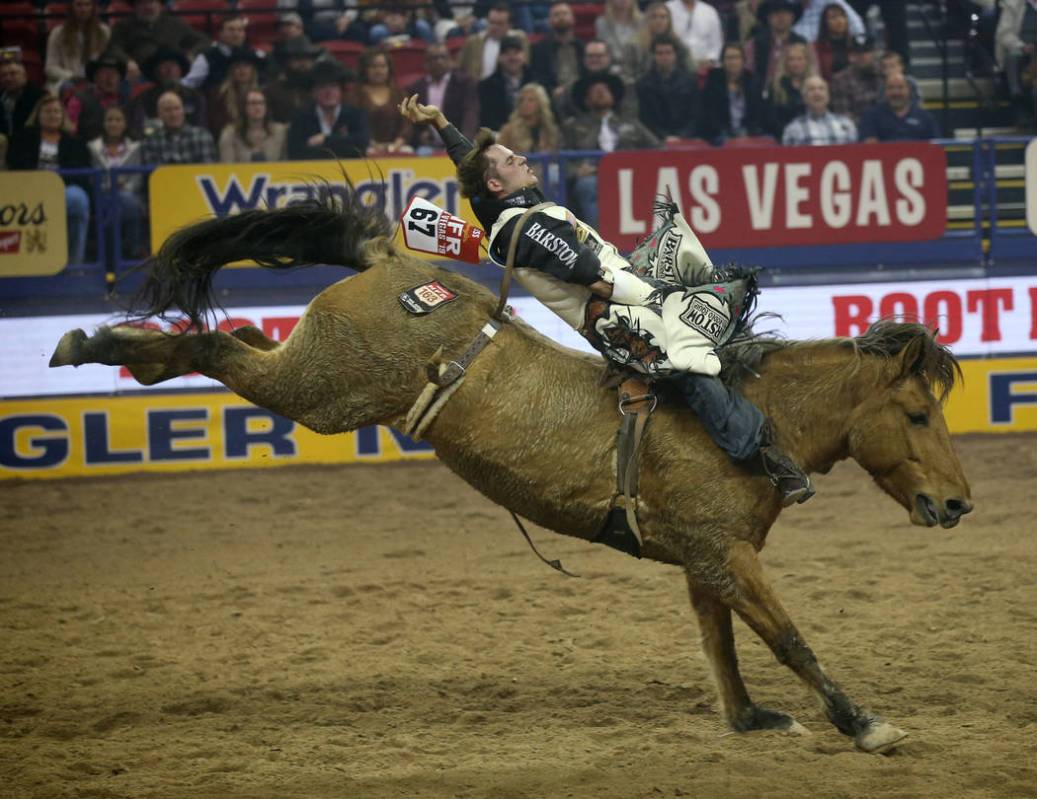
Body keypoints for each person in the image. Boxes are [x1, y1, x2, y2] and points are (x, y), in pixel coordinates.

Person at [397, 93, 814, 505]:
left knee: (688, 257)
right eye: (511, 161)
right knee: (687, 360)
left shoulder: (504, 207)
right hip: (618, 317)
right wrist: (660, 298)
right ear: (496, 183)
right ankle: (764, 459)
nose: (522, 159)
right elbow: (594, 279)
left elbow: (475, 165)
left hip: (626, 289)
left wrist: (440, 123)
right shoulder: (525, 228)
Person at [563, 72, 659, 229]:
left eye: (605, 90)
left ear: (613, 97)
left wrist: (642, 167)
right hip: (594, 177)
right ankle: (601, 239)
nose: (601, 93)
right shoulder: (574, 126)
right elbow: (561, 158)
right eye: (595, 91)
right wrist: (576, 171)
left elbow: (658, 149)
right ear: (587, 100)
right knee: (586, 186)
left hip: (630, 174)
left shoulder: (631, 124)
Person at [7, 94, 92, 265]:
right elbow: (15, 165)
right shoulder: (23, 138)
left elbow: (82, 174)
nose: (52, 115)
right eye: (47, 111)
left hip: (63, 190)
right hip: (28, 190)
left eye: (56, 112)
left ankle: (75, 266)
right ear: (38, 115)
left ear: (63, 116)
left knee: (77, 199)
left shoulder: (75, 142)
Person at [87, 104, 146, 258]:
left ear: (125, 123)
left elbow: (138, 178)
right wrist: (111, 186)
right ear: (103, 123)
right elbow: (93, 179)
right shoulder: (92, 147)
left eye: (118, 120)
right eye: (110, 120)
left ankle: (108, 255)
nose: (114, 123)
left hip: (131, 195)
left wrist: (124, 187)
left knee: (126, 201)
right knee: (120, 204)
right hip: (103, 197)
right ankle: (134, 252)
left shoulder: (136, 147)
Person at [286, 59, 369, 160]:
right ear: (313, 91)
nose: (328, 92)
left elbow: (362, 145)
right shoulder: (301, 117)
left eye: (333, 86)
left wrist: (325, 140)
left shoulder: (355, 115)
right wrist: (342, 144)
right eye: (322, 87)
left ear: (341, 91)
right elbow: (295, 151)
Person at [108, 0, 209, 82]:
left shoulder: (175, 24)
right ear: (135, 6)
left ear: (160, 5)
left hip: (173, 75)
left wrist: (191, 54)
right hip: (140, 74)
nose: (147, 7)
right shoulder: (124, 26)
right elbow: (113, 47)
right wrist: (127, 61)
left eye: (152, 2)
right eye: (142, 3)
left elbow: (203, 40)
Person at [406, 43, 479, 150]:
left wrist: (465, 141)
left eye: (443, 57)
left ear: (450, 60)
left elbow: (470, 113)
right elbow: (411, 119)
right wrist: (419, 136)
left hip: (458, 143)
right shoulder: (416, 88)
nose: (439, 61)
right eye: (434, 58)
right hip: (427, 147)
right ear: (426, 63)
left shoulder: (464, 83)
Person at [129, 47, 207, 138]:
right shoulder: (145, 98)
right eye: (164, 66)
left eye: (173, 65)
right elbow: (138, 128)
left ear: (180, 69)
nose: (169, 71)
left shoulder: (195, 97)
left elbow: (201, 127)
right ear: (156, 71)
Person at [636, 33, 701, 142]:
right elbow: (645, 119)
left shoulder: (690, 81)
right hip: (654, 140)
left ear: (675, 54)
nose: (664, 57)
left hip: (687, 138)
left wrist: (682, 136)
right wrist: (664, 137)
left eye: (668, 53)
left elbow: (696, 115)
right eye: (660, 53)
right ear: (653, 56)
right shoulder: (644, 84)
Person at [699, 41, 766, 143]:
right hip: (720, 134)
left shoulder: (752, 82)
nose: (733, 62)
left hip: (747, 133)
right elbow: (709, 115)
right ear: (723, 61)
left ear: (743, 60)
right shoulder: (713, 82)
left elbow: (757, 114)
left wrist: (748, 132)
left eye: (736, 57)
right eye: (729, 58)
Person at [182, 14, 268, 93]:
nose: (236, 34)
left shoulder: (254, 56)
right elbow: (188, 84)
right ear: (220, 33)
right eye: (231, 30)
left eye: (240, 30)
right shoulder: (206, 58)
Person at [497, 82, 560, 185]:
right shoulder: (508, 130)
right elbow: (500, 160)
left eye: (531, 100)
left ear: (540, 103)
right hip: (517, 176)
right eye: (522, 100)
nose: (525, 103)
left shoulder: (549, 129)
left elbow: (556, 157)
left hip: (545, 174)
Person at [44, 0, 111, 95]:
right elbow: (50, 68)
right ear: (71, 7)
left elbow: (108, 61)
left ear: (93, 7)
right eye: (79, 5)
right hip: (68, 81)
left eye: (87, 5)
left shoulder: (104, 32)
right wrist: (71, 76)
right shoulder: (58, 33)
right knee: (71, 89)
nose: (83, 9)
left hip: (95, 80)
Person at [355, 48, 413, 155]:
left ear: (389, 69)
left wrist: (396, 145)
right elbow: (354, 126)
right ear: (365, 69)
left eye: (382, 66)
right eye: (373, 66)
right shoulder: (355, 95)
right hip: (365, 149)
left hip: (397, 147)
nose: (378, 71)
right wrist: (372, 145)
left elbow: (406, 125)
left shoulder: (400, 94)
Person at [66, 50, 131, 142]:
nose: (110, 78)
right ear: (95, 77)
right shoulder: (79, 100)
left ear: (120, 78)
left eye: (114, 73)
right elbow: (70, 132)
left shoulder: (128, 100)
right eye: (104, 73)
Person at [858, 71, 941, 141]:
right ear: (885, 91)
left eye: (900, 87)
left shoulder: (925, 117)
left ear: (909, 90)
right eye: (891, 88)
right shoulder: (871, 116)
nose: (895, 92)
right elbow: (868, 146)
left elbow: (935, 146)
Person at [745, 0, 813, 86]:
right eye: (776, 13)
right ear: (769, 18)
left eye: (785, 13)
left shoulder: (803, 43)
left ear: (792, 17)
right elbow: (748, 72)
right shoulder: (754, 43)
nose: (781, 17)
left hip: (796, 92)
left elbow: (811, 70)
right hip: (761, 93)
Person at [457, 3, 529, 82]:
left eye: (499, 24)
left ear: (510, 25)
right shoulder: (473, 42)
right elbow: (460, 68)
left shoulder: (519, 40)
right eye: (491, 22)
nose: (494, 27)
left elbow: (526, 66)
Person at [140, 90, 217, 164]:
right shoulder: (151, 142)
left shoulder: (202, 136)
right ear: (159, 115)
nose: (173, 114)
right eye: (167, 110)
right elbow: (152, 174)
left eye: (177, 108)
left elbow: (208, 170)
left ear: (183, 111)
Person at [206, 47, 264, 139]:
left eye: (246, 65)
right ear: (231, 70)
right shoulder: (219, 95)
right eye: (237, 66)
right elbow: (215, 125)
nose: (242, 70)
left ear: (253, 70)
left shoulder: (262, 94)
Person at [529, 2, 585, 96]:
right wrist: (552, 91)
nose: (561, 17)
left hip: (581, 95)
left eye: (565, 14)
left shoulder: (582, 47)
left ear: (573, 19)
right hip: (553, 97)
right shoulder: (539, 49)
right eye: (556, 15)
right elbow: (537, 78)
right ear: (549, 21)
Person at [478, 36, 533, 131]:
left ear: (524, 56)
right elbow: (486, 120)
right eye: (507, 54)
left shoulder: (537, 81)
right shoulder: (486, 87)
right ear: (499, 58)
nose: (512, 58)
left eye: (516, 53)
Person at [781, 74, 856, 143]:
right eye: (811, 89)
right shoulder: (793, 129)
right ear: (804, 98)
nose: (817, 93)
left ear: (828, 96)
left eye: (821, 88)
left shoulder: (846, 125)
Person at [762, 40, 814, 136]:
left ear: (806, 61)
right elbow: (771, 118)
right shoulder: (775, 86)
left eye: (800, 59)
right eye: (791, 59)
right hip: (783, 135)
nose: (796, 63)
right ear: (785, 63)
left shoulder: (814, 84)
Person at [219, 89, 287, 162]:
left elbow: (286, 163)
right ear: (244, 107)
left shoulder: (279, 132)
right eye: (252, 103)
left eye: (261, 103)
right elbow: (226, 167)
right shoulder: (230, 134)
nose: (257, 107)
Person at [266, 37, 323, 124]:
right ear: (287, 61)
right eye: (297, 58)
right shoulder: (273, 90)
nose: (303, 63)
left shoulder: (321, 89)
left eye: (307, 58)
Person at [829, 32, 881, 122]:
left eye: (866, 51)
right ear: (850, 55)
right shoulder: (840, 80)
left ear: (874, 53)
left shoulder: (884, 74)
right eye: (857, 52)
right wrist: (869, 128)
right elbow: (843, 116)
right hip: (856, 131)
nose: (862, 56)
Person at [665, 0, 724, 69]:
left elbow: (717, 44)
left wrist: (710, 59)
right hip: (675, 65)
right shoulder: (668, 8)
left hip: (705, 66)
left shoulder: (709, 11)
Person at [595, 0, 643, 81]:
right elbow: (602, 50)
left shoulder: (643, 21)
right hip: (611, 70)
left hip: (637, 70)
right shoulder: (601, 23)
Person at [0, 58, 46, 139]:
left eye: (13, 74)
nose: (8, 78)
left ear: (24, 76)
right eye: (4, 75)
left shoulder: (39, 96)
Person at [813, 2, 853, 81]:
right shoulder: (817, 47)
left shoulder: (854, 44)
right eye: (833, 17)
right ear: (825, 22)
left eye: (842, 16)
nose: (839, 20)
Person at [792, 0, 863, 42]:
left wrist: (859, 44)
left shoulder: (830, 1)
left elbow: (857, 27)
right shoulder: (788, 5)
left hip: (832, 48)